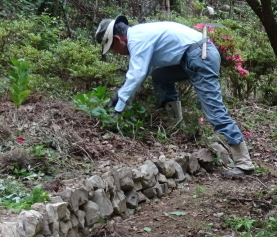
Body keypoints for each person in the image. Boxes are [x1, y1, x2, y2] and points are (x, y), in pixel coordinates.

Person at [94, 15, 255, 178]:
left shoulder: (137, 39)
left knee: (215, 110)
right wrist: (121, 95)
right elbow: (143, 71)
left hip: (200, 57)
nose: (118, 53)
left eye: (113, 48)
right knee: (160, 77)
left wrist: (119, 103)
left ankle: (244, 163)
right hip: (191, 56)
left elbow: (137, 74)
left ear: (117, 38)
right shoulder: (140, 34)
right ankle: (177, 126)